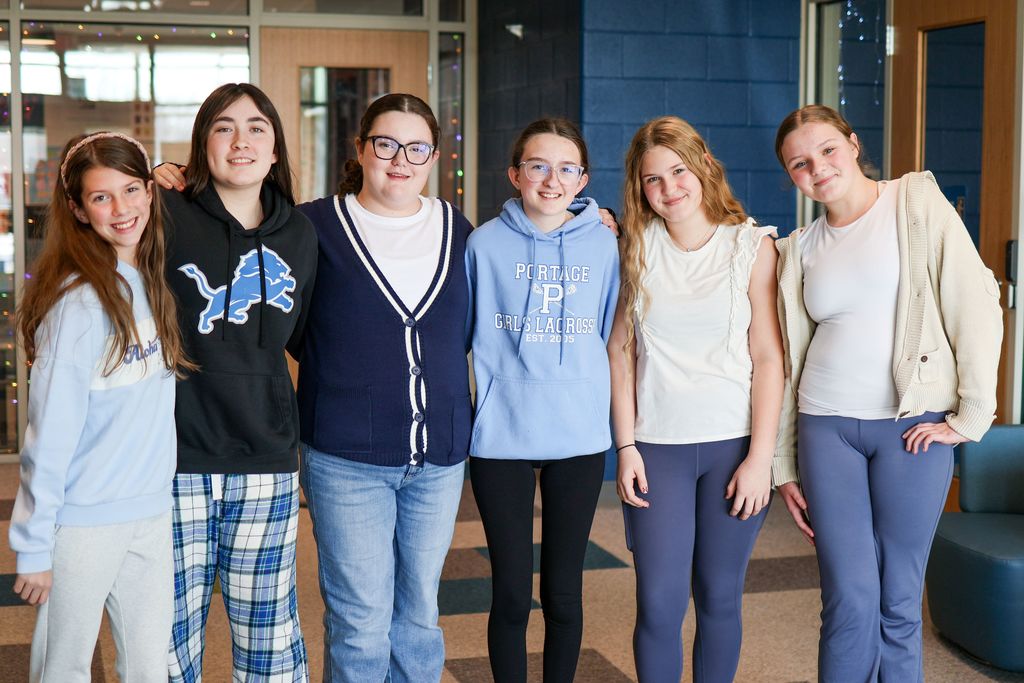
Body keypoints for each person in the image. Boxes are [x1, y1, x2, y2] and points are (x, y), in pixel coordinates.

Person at [772, 104, 1002, 682]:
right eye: (800, 163)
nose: (818, 168)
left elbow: (974, 304)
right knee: (847, 598)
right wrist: (782, 461)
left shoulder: (916, 204)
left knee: (899, 601)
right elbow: (783, 359)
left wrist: (971, 415)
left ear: (852, 144)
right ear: (791, 176)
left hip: (911, 425)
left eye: (827, 149)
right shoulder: (799, 248)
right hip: (825, 428)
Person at [609, 116, 785, 683]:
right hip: (658, 448)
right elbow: (620, 353)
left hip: (734, 448)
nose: (668, 189)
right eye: (652, 180)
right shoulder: (633, 249)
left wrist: (763, 459)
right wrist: (627, 446)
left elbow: (768, 359)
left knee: (719, 596)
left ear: (704, 167)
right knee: (659, 603)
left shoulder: (752, 246)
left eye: (678, 171)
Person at [9, 132, 191, 681]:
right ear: (77, 209)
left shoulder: (146, 279)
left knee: (147, 665)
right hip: (82, 524)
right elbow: (51, 435)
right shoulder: (78, 302)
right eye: (101, 197)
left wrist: (167, 175)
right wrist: (35, 545)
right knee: (63, 667)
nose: (122, 208)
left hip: (150, 512)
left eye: (131, 190)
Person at [158, 83, 318, 682]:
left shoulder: (300, 234)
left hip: (265, 457)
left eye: (257, 128)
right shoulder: (162, 211)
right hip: (173, 456)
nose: (241, 140)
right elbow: (92, 185)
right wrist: (150, 171)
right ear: (203, 143)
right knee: (168, 636)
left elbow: (299, 334)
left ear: (275, 149)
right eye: (224, 127)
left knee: (269, 636)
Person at [466, 117, 619, 683]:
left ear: (582, 180)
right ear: (515, 174)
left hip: (576, 434)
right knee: (509, 590)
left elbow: (609, 331)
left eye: (566, 169)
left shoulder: (605, 245)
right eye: (538, 166)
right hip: (501, 433)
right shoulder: (482, 244)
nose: (551, 180)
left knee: (563, 592)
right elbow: (465, 332)